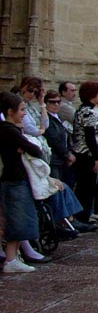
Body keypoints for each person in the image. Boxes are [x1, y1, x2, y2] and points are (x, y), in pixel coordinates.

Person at [1, 92, 45, 273]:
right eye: (21, 110)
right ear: (10, 111)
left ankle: (14, 257)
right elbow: (35, 150)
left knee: (20, 218)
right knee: (18, 220)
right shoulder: (8, 130)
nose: (24, 114)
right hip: (14, 180)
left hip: (15, 179)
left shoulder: (11, 129)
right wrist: (27, 145)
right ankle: (11, 259)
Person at [70, 82, 98, 225]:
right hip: (86, 155)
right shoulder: (87, 112)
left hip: (89, 154)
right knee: (85, 188)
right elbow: (90, 137)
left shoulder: (91, 110)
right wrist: (97, 158)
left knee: (88, 187)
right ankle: (82, 217)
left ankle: (85, 215)